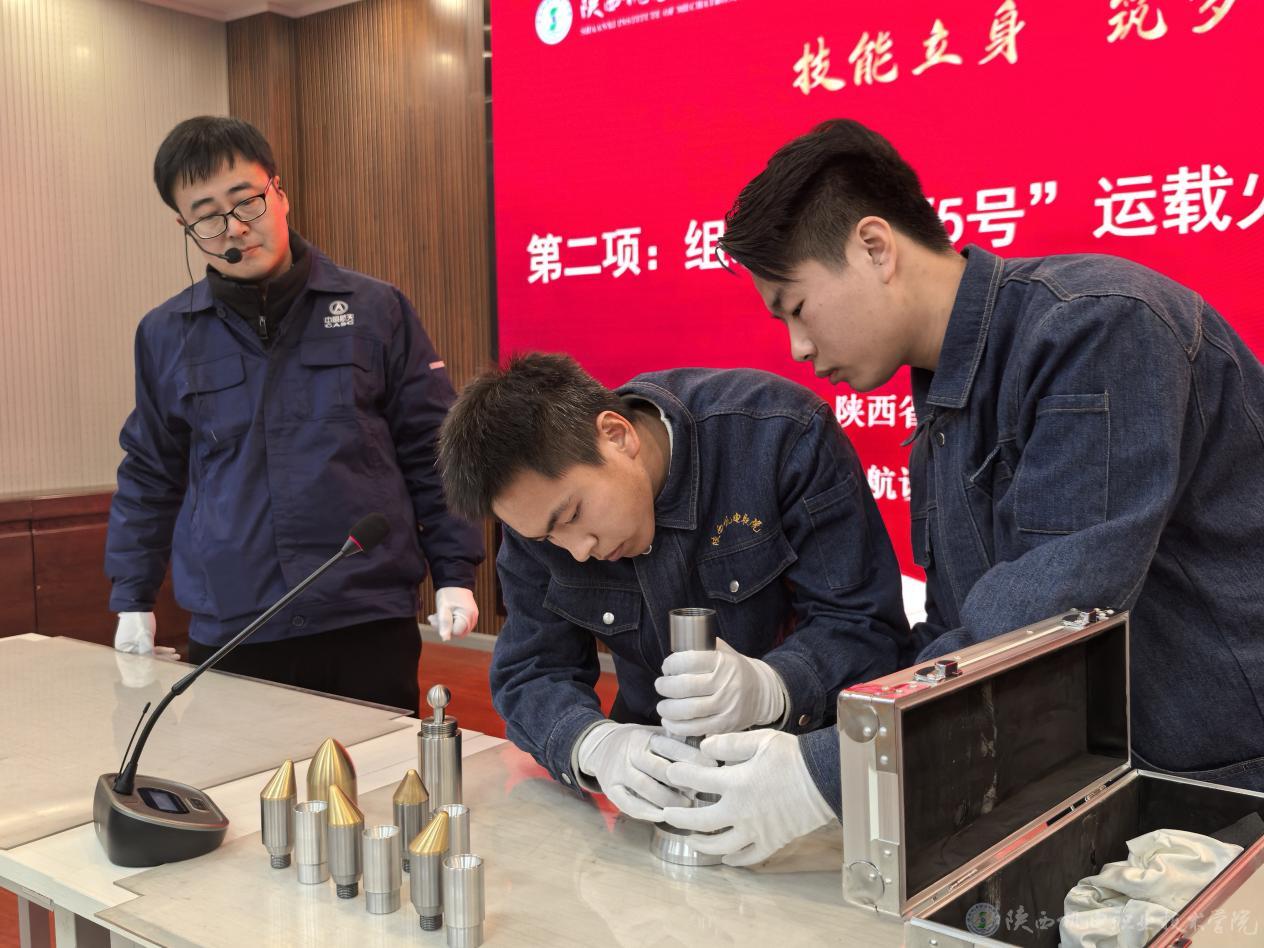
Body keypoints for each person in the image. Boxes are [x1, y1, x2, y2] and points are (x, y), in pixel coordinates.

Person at [658, 117, 1264, 862]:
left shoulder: (1096, 329)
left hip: (1225, 793)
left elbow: (1050, 622)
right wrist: (789, 697)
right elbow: (952, 638)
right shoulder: (943, 421)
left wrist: (826, 774)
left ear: (874, 247)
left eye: (796, 307)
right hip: (1111, 792)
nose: (799, 348)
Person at [437, 353, 912, 863]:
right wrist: (592, 744)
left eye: (573, 515)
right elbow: (530, 670)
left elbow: (866, 626)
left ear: (617, 435)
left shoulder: (777, 434)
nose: (577, 550)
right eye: (548, 537)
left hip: (811, 787)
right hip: (657, 797)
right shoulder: (538, 516)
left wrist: (774, 687)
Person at [105, 116, 483, 713]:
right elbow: (151, 473)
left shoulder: (375, 309)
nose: (235, 227)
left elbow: (432, 449)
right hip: (235, 621)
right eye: (207, 216)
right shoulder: (165, 334)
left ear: (279, 192)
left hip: (363, 614)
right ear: (184, 227)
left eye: (246, 201)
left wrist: (455, 570)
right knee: (242, 773)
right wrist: (133, 598)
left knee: (375, 768)